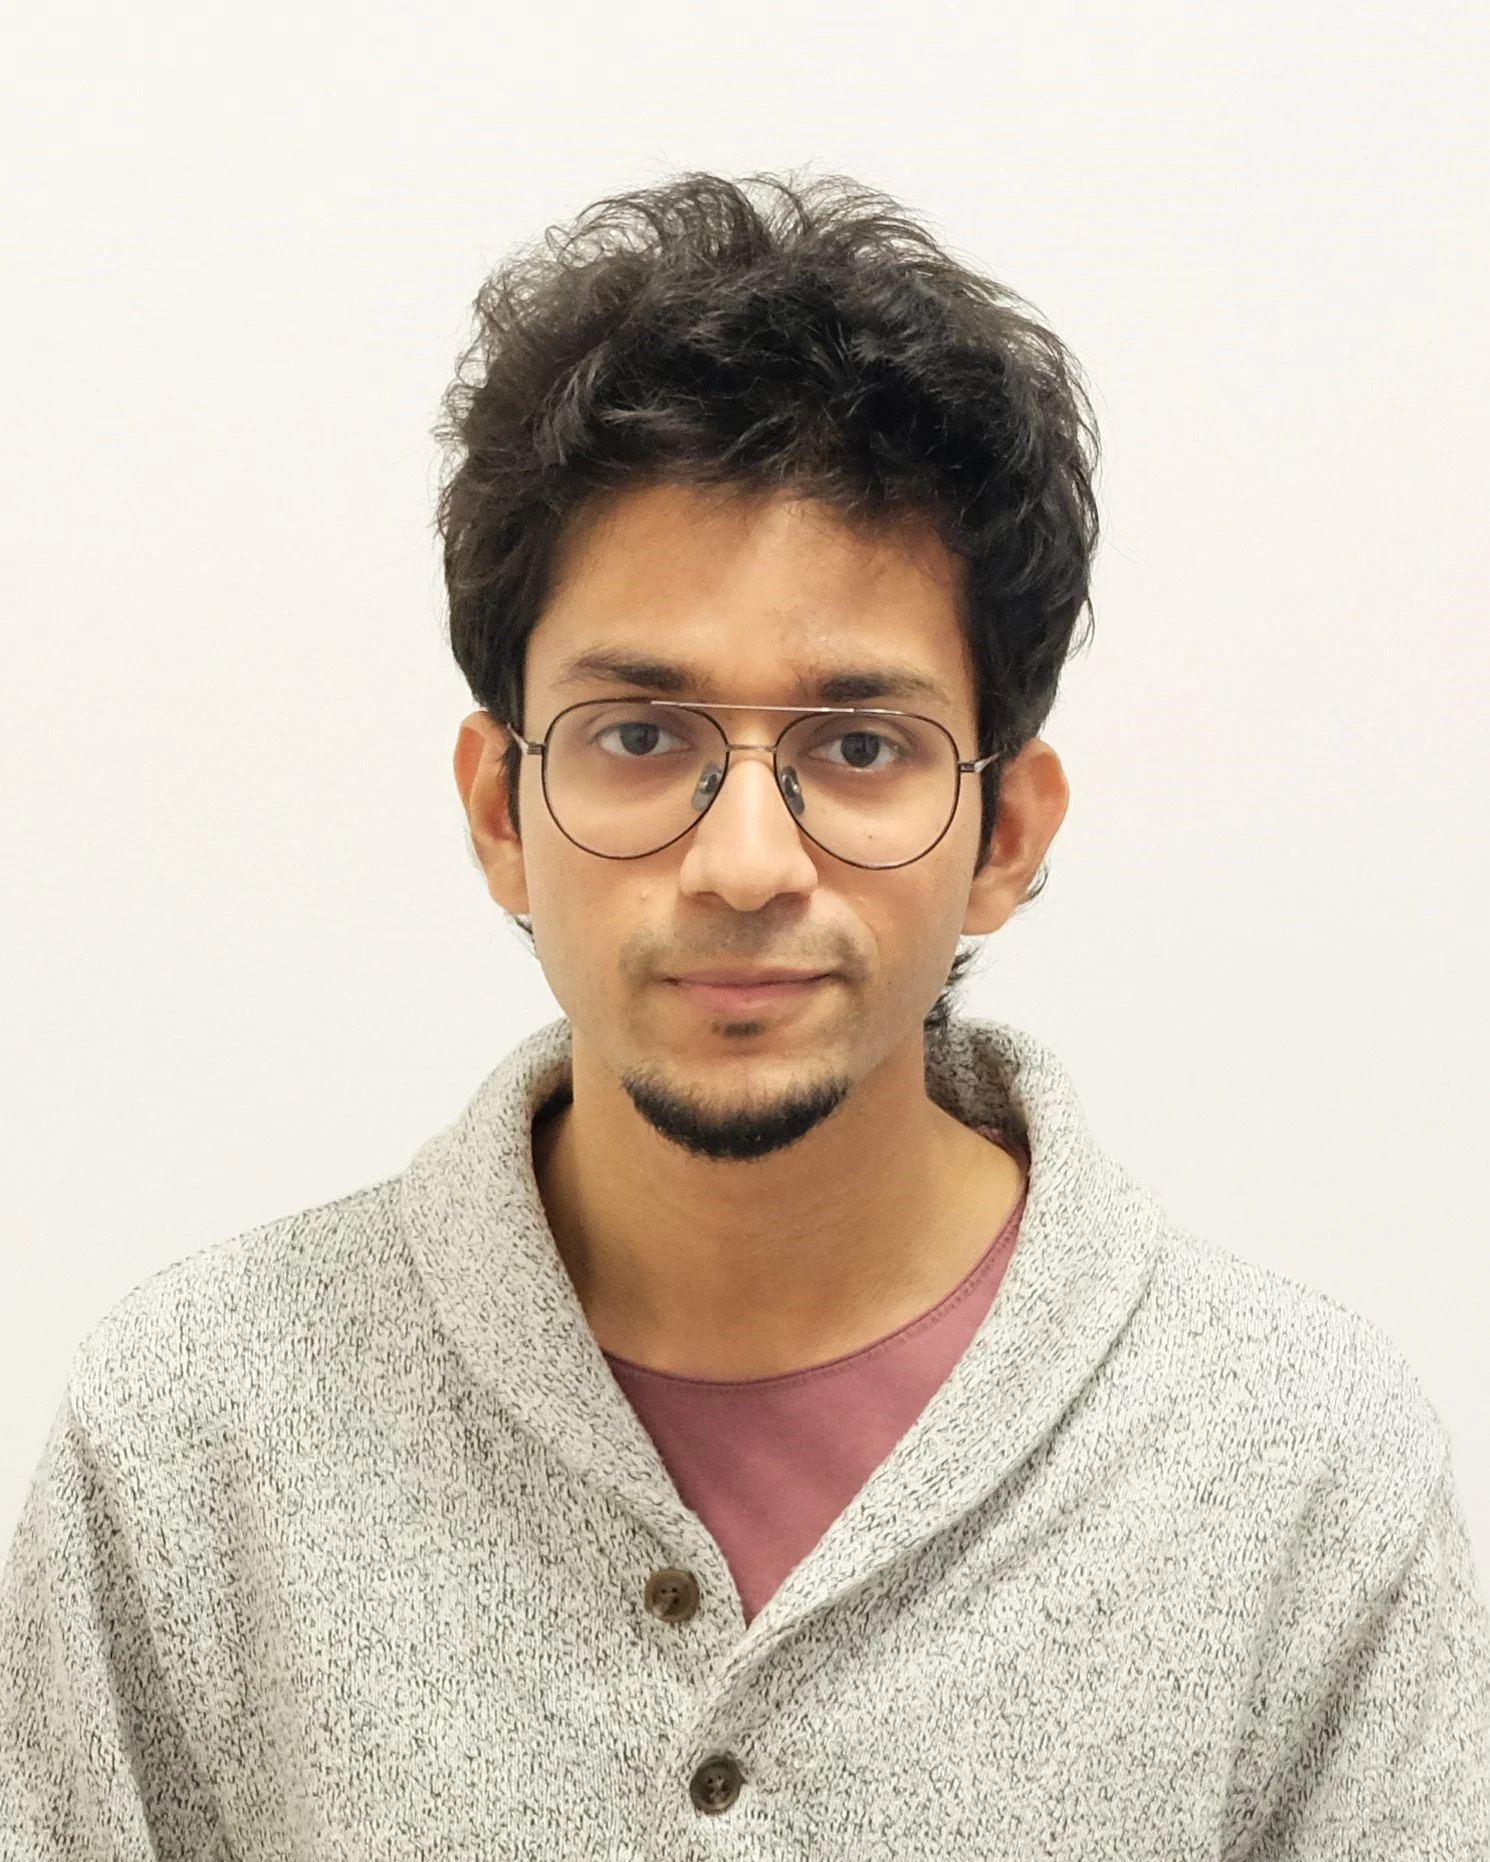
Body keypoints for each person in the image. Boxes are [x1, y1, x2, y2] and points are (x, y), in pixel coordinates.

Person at [2, 172, 1486, 1860]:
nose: (743, 863)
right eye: (640, 737)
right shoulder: (195, 1436)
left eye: (858, 748)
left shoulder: (1299, 1472)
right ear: (500, 807)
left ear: (1005, 833)